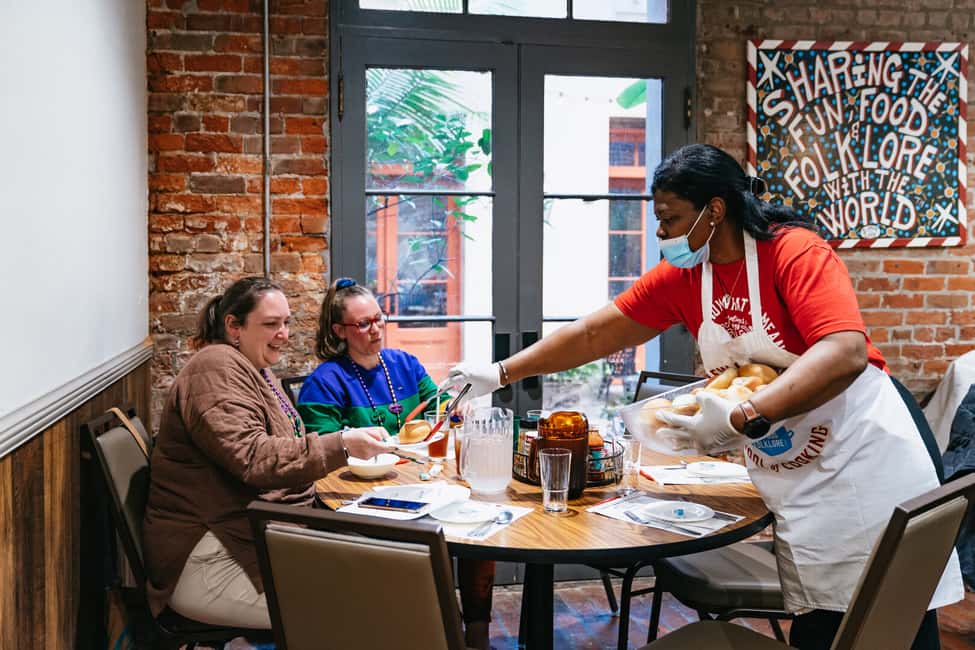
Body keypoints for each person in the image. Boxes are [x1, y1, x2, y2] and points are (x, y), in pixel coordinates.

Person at [446, 144, 964, 650]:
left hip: (865, 457)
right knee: (820, 623)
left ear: (714, 210)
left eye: (670, 219)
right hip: (800, 473)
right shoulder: (688, 276)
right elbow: (592, 334)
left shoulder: (794, 252)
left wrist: (743, 415)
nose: (660, 232)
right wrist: (500, 371)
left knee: (890, 623)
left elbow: (844, 351)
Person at [143, 276, 391, 630]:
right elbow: (253, 458)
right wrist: (344, 443)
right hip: (211, 558)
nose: (284, 334)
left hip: (247, 538)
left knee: (387, 571)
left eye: (286, 322)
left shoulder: (254, 368)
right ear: (233, 326)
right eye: (271, 324)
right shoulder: (214, 367)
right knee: (364, 607)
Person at [297, 278, 496, 650]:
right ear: (339, 330)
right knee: (429, 543)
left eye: (379, 318)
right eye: (363, 324)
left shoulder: (403, 363)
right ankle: (431, 628)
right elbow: (322, 450)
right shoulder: (324, 381)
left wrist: (456, 410)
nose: (376, 330)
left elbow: (436, 408)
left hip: (420, 482)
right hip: (362, 497)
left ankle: (478, 634)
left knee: (475, 529)